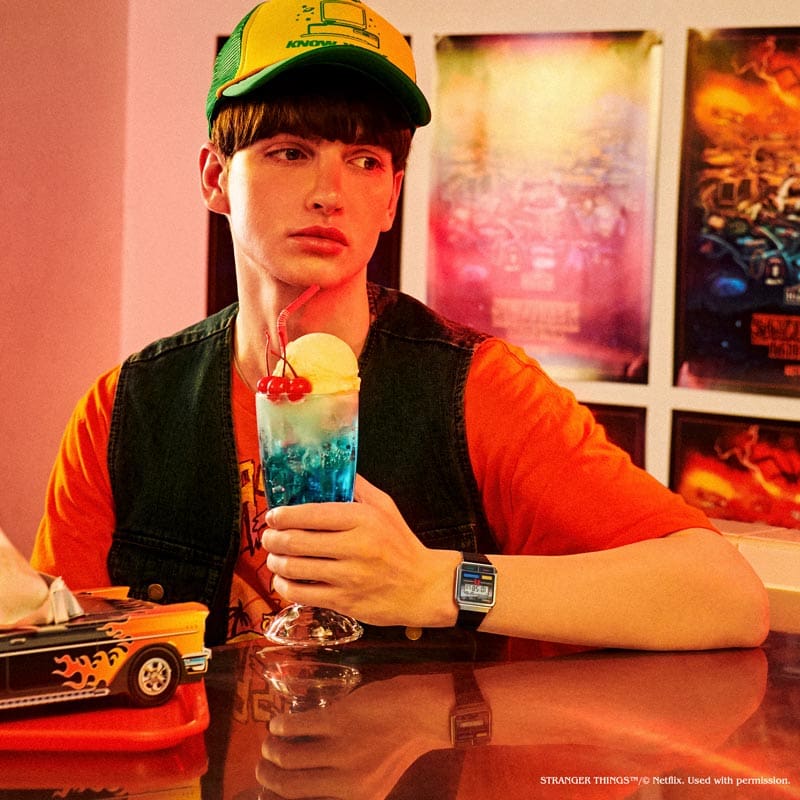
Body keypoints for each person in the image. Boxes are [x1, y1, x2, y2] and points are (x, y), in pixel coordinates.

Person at [31, 0, 768, 650]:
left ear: (391, 199)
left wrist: (439, 584)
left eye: (365, 160)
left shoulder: (476, 389)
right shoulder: (126, 408)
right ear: (215, 177)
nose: (330, 192)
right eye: (290, 152)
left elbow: (725, 598)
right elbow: (57, 652)